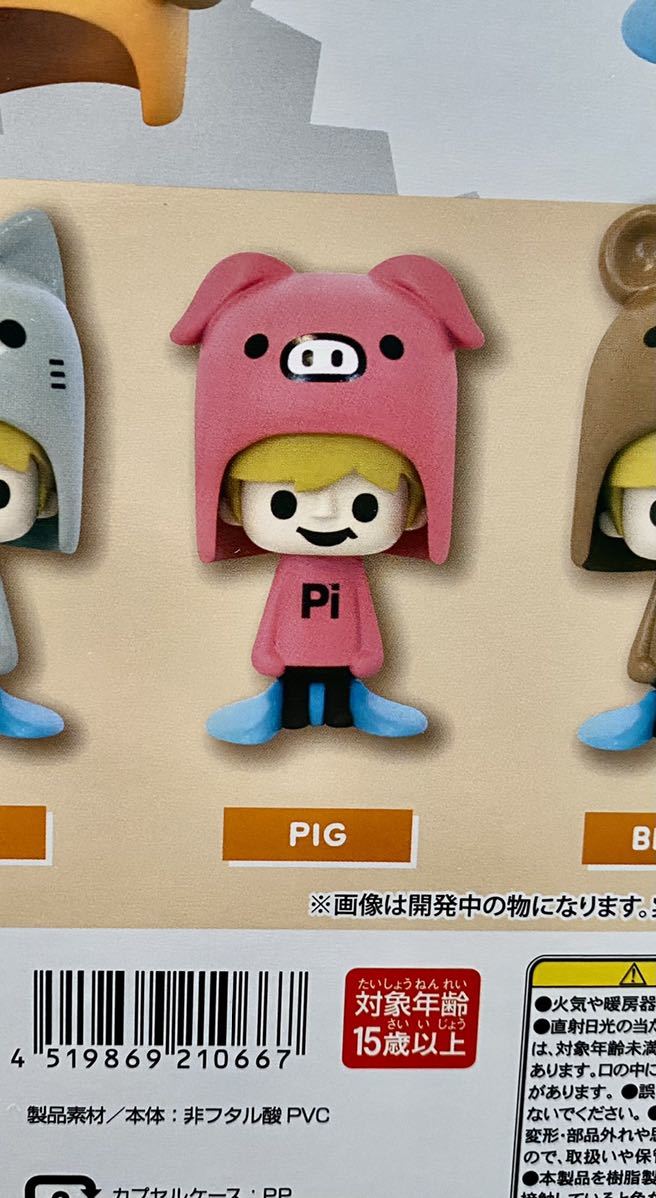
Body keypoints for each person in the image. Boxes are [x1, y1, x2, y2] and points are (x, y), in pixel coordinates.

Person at [172, 250, 483, 743]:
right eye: (283, 502)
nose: (324, 513)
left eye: (364, 505)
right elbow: (275, 623)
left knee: (341, 694)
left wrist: (366, 654)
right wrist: (269, 654)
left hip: (345, 666)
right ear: (230, 505)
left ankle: (351, 706)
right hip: (291, 664)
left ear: (418, 508)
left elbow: (362, 622)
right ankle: (280, 708)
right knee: (293, 693)